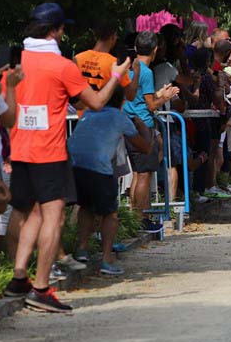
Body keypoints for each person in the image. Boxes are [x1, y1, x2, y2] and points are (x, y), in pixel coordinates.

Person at [3, 3, 129, 313]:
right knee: (54, 217)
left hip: (20, 149)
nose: (63, 34)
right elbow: (96, 102)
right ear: (54, 31)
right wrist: (116, 75)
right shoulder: (61, 66)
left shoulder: (15, 62)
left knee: (30, 214)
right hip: (49, 151)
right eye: (62, 29)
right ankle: (41, 288)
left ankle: (19, 277)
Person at [68, 87, 152, 276]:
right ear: (122, 101)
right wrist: (142, 126)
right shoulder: (119, 117)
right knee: (110, 214)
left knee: (86, 207)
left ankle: (82, 249)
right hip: (99, 167)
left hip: (74, 165)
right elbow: (145, 147)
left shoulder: (89, 113)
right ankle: (106, 260)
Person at [123, 32, 180, 232]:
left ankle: (135, 216)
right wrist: (165, 97)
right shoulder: (146, 72)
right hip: (143, 126)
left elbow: (138, 97)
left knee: (138, 173)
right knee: (144, 175)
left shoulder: (129, 69)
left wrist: (159, 94)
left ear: (136, 48)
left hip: (130, 122)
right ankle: (142, 218)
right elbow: (150, 105)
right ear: (155, 50)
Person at [75, 21, 139, 103]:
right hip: (103, 109)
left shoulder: (77, 59)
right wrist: (136, 72)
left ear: (96, 37)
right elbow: (130, 95)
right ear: (113, 37)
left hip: (80, 110)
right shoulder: (115, 64)